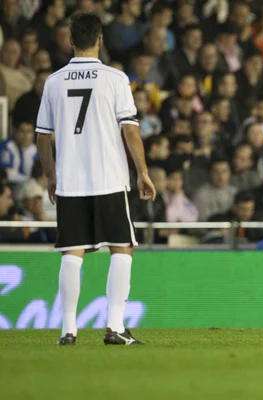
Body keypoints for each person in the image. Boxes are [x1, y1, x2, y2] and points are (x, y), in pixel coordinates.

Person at [35, 12, 156, 346]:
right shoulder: (115, 79)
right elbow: (130, 129)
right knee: (122, 249)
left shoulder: (54, 81)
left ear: (71, 40)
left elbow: (43, 136)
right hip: (109, 179)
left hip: (70, 180)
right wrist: (143, 172)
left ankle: (68, 331)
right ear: (100, 40)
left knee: (72, 254)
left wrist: (50, 176)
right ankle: (114, 327)